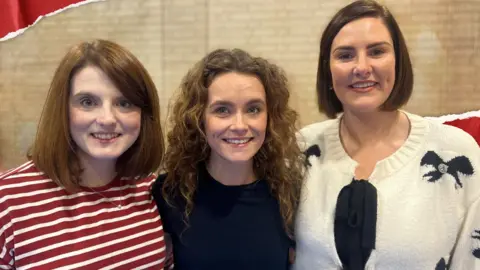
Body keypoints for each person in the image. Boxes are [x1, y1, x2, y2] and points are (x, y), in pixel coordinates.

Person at [293, 1, 480, 269]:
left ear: (399, 61)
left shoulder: (457, 152)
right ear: (328, 70)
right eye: (345, 55)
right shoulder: (299, 150)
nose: (361, 67)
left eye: (377, 51)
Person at [0, 39, 169, 269]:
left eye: (125, 102)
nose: (107, 119)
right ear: (63, 109)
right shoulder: (7, 201)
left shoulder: (150, 190)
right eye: (88, 102)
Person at [152, 48, 304, 270]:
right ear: (199, 119)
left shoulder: (289, 193)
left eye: (253, 109)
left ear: (269, 117)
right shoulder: (169, 194)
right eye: (222, 110)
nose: (240, 126)